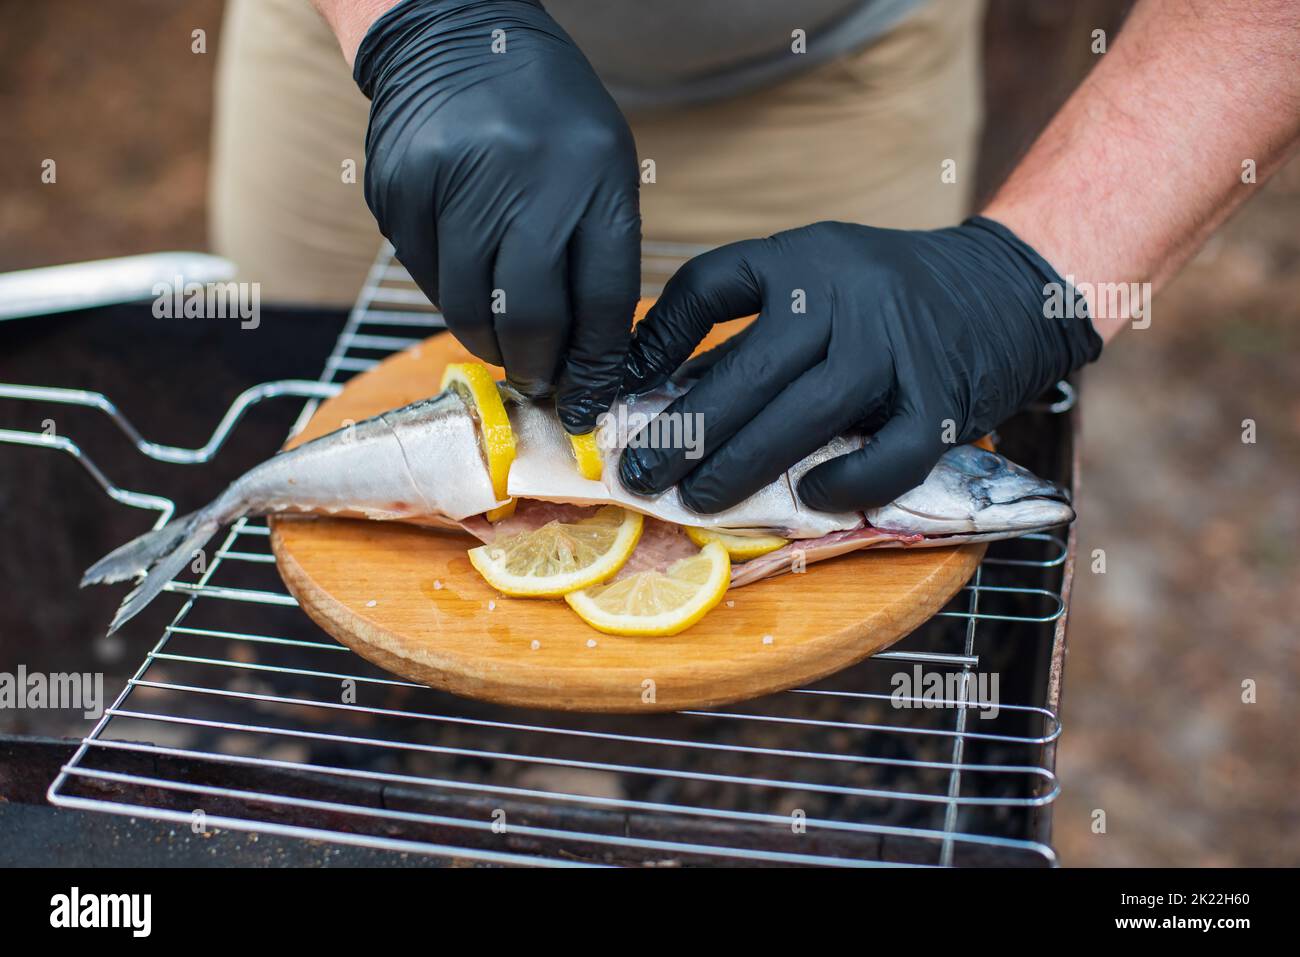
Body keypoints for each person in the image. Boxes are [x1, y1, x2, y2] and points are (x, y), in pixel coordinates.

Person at [212, 0, 1300, 515]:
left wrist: (1037, 270)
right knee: (309, 463)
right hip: (373, 63)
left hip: (833, 80)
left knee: (759, 680)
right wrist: (419, 27)